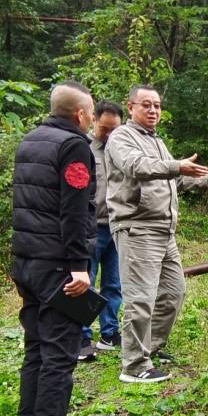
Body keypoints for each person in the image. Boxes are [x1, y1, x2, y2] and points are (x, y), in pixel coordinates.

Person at [103, 84, 208, 383]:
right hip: (138, 228)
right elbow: (136, 166)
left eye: (157, 105)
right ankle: (134, 366)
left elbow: (173, 181)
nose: (153, 110)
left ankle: (149, 349)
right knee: (141, 298)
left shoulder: (157, 141)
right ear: (131, 107)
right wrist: (177, 166)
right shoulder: (121, 137)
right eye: (146, 105)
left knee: (173, 292)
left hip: (164, 231)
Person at [10, 81, 97, 416]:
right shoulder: (74, 146)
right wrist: (79, 265)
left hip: (27, 262)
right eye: (90, 112)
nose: (91, 119)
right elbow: (74, 209)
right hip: (59, 267)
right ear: (79, 114)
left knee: (36, 349)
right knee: (60, 354)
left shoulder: (30, 141)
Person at [78, 99, 124, 362]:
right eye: (104, 128)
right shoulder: (82, 149)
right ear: (93, 120)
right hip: (91, 228)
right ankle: (82, 337)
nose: (108, 134)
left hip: (117, 226)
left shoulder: (122, 151)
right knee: (86, 282)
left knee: (114, 284)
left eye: (114, 130)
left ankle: (110, 332)